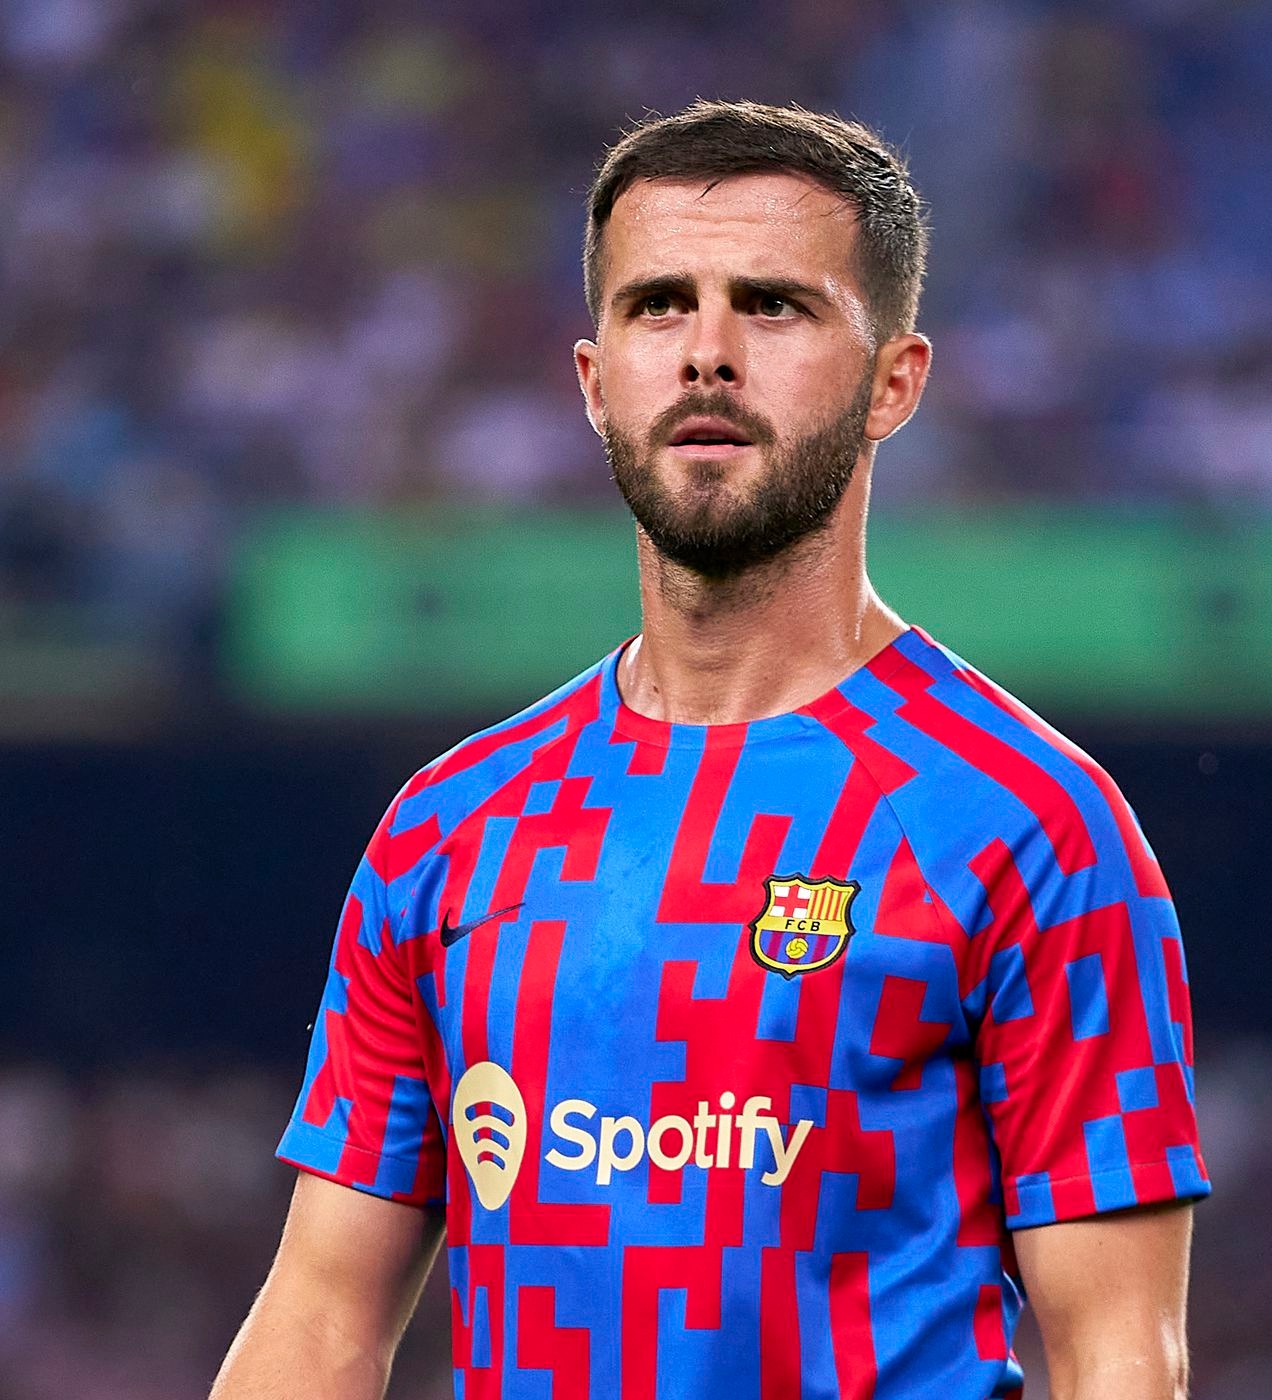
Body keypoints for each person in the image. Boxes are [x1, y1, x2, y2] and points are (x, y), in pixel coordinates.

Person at [212, 100, 1209, 1400]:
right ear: (594, 380)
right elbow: (320, 1320)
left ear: (895, 382)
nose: (707, 355)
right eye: (659, 306)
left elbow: (1120, 1353)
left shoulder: (1030, 825)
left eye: (774, 306)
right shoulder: (452, 831)